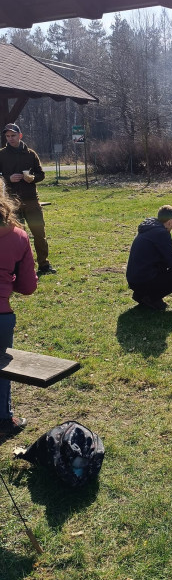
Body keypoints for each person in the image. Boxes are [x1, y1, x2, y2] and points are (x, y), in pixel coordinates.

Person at [0, 192, 38, 436]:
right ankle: (3, 419)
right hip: (1, 314)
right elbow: (28, 286)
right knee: (1, 368)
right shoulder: (18, 236)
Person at [0, 123, 56, 275]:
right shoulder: (2, 154)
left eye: (13, 135)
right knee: (17, 237)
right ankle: (19, 269)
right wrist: (8, 178)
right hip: (11, 203)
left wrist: (33, 178)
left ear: (20, 135)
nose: (10, 139)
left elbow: (41, 174)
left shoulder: (31, 154)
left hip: (31, 201)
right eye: (7, 136)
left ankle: (44, 265)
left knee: (39, 233)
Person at [126, 205, 172, 310]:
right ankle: (151, 298)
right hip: (144, 280)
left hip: (134, 280)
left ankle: (140, 295)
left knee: (167, 268)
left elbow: (164, 256)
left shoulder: (150, 228)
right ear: (170, 222)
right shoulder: (162, 234)